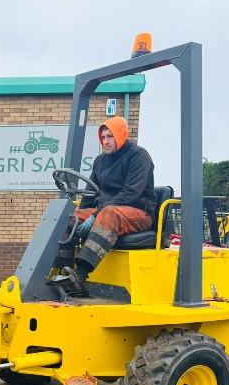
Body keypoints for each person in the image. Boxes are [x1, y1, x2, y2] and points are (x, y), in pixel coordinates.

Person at [50, 116, 156, 296]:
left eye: (110, 136)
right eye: (103, 137)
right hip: (108, 210)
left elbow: (131, 192)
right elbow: (91, 194)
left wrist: (95, 215)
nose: (105, 141)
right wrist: (83, 213)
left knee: (108, 213)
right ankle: (63, 272)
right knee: (68, 217)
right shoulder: (100, 161)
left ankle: (80, 275)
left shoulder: (139, 157)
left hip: (138, 212)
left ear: (121, 135)